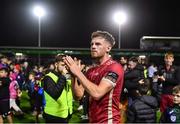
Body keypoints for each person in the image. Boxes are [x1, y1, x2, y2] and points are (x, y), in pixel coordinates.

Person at [63, 30, 124, 123]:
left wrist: (78, 72)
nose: (93, 47)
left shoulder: (115, 67)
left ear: (108, 48)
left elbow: (97, 93)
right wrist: (73, 76)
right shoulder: (91, 70)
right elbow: (78, 96)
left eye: (98, 44)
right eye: (92, 44)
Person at [41, 54, 73, 123]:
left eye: (66, 65)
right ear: (56, 64)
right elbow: (55, 94)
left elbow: (70, 94)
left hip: (65, 114)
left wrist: (69, 111)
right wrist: (63, 76)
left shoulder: (66, 77)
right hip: (53, 116)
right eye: (62, 65)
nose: (65, 68)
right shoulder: (48, 78)